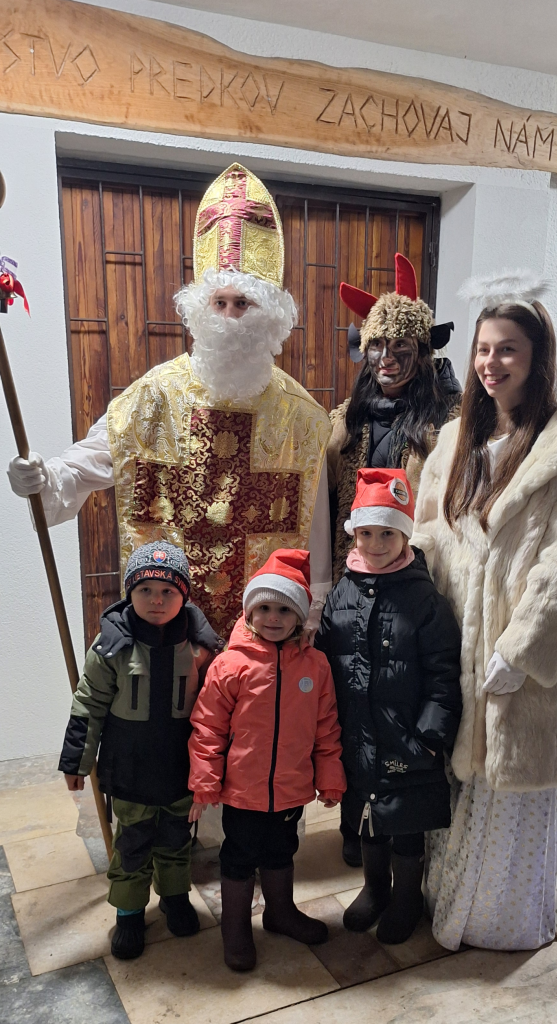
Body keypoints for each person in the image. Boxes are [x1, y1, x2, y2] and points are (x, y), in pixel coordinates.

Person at [7, 163, 331, 636]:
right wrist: (45, 478)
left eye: (243, 304)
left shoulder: (301, 418)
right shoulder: (156, 395)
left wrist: (313, 617)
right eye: (219, 303)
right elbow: (95, 458)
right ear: (201, 309)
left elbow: (314, 530)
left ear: (270, 315)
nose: (229, 318)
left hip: (261, 638)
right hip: (170, 632)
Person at [412, 271, 557, 951]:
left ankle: (501, 922)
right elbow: (427, 534)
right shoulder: (454, 441)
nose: (491, 363)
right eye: (483, 349)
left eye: (508, 349)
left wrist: (521, 652)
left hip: (512, 652)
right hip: (452, 643)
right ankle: (446, 903)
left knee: (509, 785)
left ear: (538, 357)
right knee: (455, 783)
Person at [328, 254, 461, 867]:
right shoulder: (346, 419)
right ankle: (356, 827)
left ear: (423, 353)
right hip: (355, 575)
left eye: (400, 348)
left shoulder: (448, 422)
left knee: (400, 698)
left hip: (414, 581)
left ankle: (404, 835)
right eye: (375, 347)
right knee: (353, 700)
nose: (385, 360)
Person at [315, 468, 462, 944]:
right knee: (367, 820)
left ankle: (406, 898)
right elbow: (325, 658)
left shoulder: (424, 598)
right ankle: (375, 889)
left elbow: (443, 673)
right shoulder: (344, 590)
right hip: (358, 734)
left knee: (406, 825)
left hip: (407, 738)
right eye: (366, 534)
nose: (375, 544)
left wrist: (429, 736)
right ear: (354, 534)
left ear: (404, 536)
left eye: (387, 534)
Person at [58, 541, 223, 960]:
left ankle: (174, 896)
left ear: (184, 595)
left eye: (168, 591)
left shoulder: (202, 647)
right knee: (132, 843)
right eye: (145, 589)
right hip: (129, 766)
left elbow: (218, 707)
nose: (156, 600)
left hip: (180, 765)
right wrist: (76, 760)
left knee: (176, 838)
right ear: (129, 592)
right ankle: (129, 912)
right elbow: (89, 704)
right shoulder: (111, 646)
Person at [188, 548, 346, 971]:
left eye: (284, 609)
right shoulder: (229, 665)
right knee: (239, 855)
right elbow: (207, 728)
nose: (273, 618)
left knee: (281, 850)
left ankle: (280, 912)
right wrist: (205, 782)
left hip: (291, 788)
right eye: (264, 609)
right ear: (250, 612)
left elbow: (326, 727)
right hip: (242, 791)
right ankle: (235, 927)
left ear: (299, 616)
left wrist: (330, 777)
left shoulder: (315, 666)